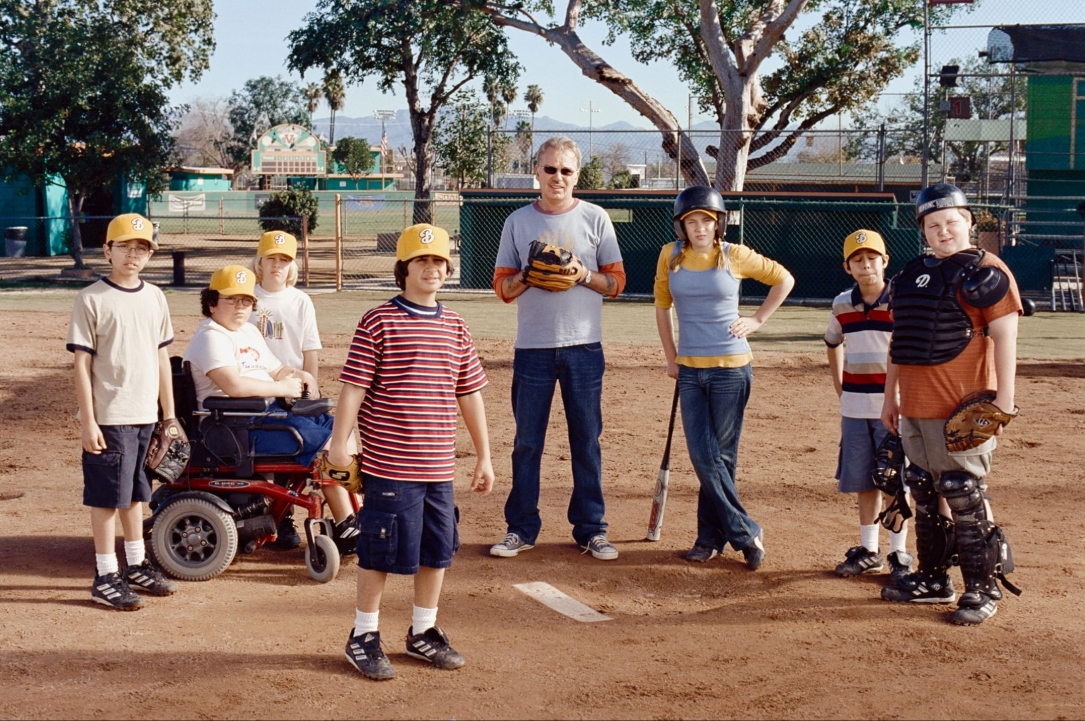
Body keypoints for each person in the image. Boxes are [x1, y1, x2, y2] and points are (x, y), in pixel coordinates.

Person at [327, 224, 494, 681]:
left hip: (438, 465)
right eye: (422, 261)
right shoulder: (378, 321)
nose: (431, 268)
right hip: (390, 464)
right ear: (403, 268)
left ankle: (423, 630)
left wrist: (483, 455)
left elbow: (469, 393)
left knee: (437, 549)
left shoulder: (455, 325)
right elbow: (353, 387)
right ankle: (363, 635)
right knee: (379, 550)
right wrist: (339, 443)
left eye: (439, 261)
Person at [880, 183, 1022, 626]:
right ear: (923, 229)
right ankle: (933, 578)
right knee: (923, 487)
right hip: (915, 403)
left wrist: (1004, 401)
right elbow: (901, 341)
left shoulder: (988, 270)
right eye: (933, 225)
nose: (943, 231)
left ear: (969, 222)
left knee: (962, 490)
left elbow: (1006, 337)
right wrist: (890, 397)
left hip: (961, 405)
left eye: (951, 222)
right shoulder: (910, 274)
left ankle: (983, 587)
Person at [488, 136, 627, 561]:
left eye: (566, 170)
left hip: (584, 347)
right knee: (527, 443)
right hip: (533, 347)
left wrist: (581, 273)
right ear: (537, 171)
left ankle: (591, 529)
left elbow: (616, 283)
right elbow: (502, 288)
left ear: (577, 175)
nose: (558, 177)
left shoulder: (595, 217)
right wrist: (529, 274)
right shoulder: (517, 221)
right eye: (550, 169)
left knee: (586, 441)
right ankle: (521, 528)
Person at [654, 186, 794, 570]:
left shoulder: (735, 255)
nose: (700, 227)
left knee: (721, 457)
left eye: (707, 220)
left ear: (718, 223)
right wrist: (670, 357)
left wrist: (757, 320)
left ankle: (709, 538)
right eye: (692, 221)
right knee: (703, 455)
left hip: (731, 369)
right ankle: (746, 532)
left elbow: (783, 279)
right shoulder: (670, 256)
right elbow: (662, 308)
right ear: (682, 226)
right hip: (689, 370)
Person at [182, 265, 358, 544]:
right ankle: (346, 522)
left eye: (246, 301)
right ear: (212, 303)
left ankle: (353, 512)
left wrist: (300, 375)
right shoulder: (211, 336)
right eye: (231, 300)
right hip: (232, 426)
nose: (240, 307)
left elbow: (276, 370)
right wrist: (282, 388)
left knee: (342, 429)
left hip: (264, 416)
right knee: (328, 442)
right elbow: (234, 386)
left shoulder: (248, 331)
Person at [66, 213, 180, 610]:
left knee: (135, 495)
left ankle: (135, 565)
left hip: (145, 414)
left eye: (142, 248)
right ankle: (104, 575)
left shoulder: (155, 297)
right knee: (105, 498)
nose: (133, 255)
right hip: (109, 416)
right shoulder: (92, 298)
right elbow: (81, 365)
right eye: (125, 247)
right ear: (107, 250)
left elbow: (163, 358)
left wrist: (169, 415)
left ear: (149, 255)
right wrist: (89, 421)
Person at [825, 229, 912, 583]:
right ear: (847, 267)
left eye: (872, 258)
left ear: (885, 261)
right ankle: (870, 550)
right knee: (865, 480)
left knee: (895, 480)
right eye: (857, 260)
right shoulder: (841, 304)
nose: (866, 265)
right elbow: (833, 342)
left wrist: (900, 396)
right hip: (855, 407)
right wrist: (840, 387)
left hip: (893, 409)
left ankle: (899, 553)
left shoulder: (901, 302)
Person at [249, 230, 324, 550]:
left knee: (294, 455)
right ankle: (257, 516)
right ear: (260, 261)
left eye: (284, 260)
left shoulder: (300, 300)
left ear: (292, 265)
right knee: (258, 456)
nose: (277, 265)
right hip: (255, 388)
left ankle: (284, 518)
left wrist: (310, 392)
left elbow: (310, 351)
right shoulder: (247, 296)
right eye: (271, 258)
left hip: (292, 388)